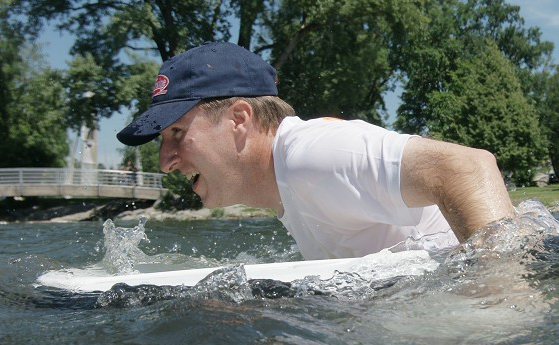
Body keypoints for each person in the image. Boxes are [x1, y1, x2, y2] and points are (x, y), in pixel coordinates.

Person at [117, 42, 515, 260]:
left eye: (177, 133)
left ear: (239, 119)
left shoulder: (311, 155)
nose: (166, 161)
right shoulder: (290, 183)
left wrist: (502, 299)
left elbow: (467, 167)